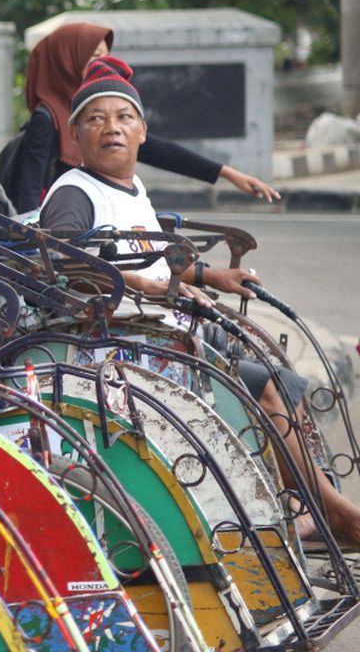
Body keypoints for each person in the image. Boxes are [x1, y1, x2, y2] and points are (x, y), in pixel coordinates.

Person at [40, 56, 360, 546]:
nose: (112, 128)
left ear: (143, 133)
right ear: (76, 136)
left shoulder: (131, 188)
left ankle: (305, 501)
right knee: (263, 385)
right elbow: (60, 262)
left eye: (123, 118)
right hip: (124, 343)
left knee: (279, 378)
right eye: (96, 119)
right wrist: (140, 287)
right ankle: (331, 511)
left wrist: (212, 275)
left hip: (163, 328)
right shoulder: (75, 193)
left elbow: (153, 257)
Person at [2, 21, 280, 213]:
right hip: (62, 220)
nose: (101, 63)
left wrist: (226, 173)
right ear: (67, 58)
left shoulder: (96, 107)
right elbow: (30, 189)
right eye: (93, 55)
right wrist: (35, 245)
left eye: (105, 55)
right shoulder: (47, 117)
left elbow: (157, 150)